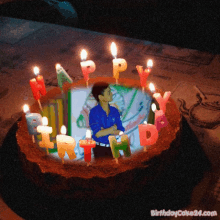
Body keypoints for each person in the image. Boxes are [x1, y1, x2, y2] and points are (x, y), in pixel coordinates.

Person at [89, 82, 125, 158]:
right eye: (109, 92)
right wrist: (112, 129)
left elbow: (121, 129)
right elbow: (98, 134)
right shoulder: (94, 112)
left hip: (114, 145)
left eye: (110, 91)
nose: (112, 94)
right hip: (99, 149)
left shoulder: (114, 111)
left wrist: (105, 131)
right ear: (101, 97)